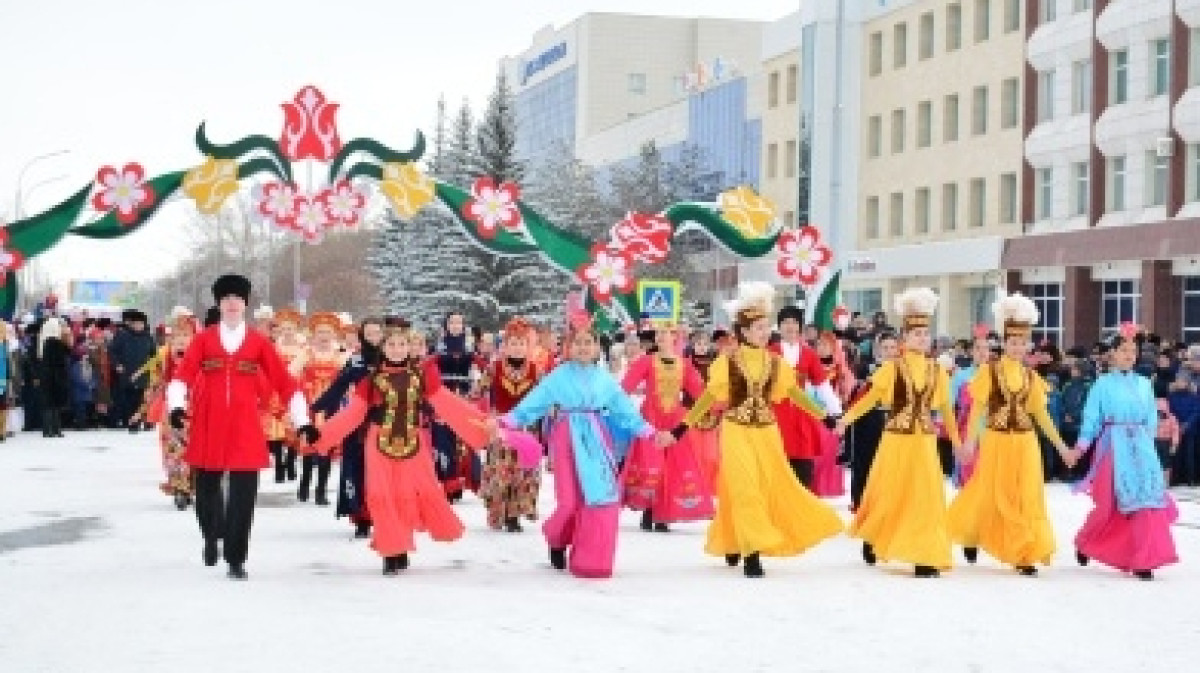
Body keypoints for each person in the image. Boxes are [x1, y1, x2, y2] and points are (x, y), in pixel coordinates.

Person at [670, 282, 844, 578]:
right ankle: (751, 551)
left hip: (766, 433)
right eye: (760, 327)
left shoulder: (776, 363)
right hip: (736, 431)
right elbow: (709, 398)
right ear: (745, 332)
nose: (766, 332)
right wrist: (680, 429)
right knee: (744, 488)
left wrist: (825, 417)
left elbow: (795, 395)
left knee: (763, 489)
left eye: (767, 327)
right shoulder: (728, 362)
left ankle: (736, 537)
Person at [485, 309, 671, 579]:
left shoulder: (605, 379)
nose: (583, 347)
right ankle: (557, 538)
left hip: (597, 437)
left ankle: (590, 558)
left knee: (600, 499)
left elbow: (625, 412)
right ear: (569, 346)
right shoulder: (558, 377)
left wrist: (652, 433)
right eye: (578, 342)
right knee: (569, 502)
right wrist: (505, 422)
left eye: (589, 342)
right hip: (566, 438)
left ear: (597, 347)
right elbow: (532, 405)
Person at [166, 274, 318, 580]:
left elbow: (286, 385)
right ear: (220, 304)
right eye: (227, 299)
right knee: (206, 492)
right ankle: (211, 534)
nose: (233, 304)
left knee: (243, 497)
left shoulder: (259, 343)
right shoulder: (203, 339)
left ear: (245, 304)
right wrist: (177, 407)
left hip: (245, 427)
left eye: (238, 299)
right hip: (208, 424)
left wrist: (303, 422)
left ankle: (236, 558)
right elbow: (181, 378)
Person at [314, 326, 485, 575]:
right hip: (378, 441)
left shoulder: (422, 376)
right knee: (381, 495)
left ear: (409, 347)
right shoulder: (370, 380)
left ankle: (401, 545)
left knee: (405, 495)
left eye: (401, 345)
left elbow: (448, 404)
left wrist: (481, 424)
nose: (397, 350)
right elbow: (352, 415)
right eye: (391, 345)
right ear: (383, 348)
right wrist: (320, 435)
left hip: (412, 443)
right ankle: (389, 549)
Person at [835, 288, 963, 578]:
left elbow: (946, 410)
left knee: (925, 497)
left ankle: (924, 555)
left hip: (924, 442)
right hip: (895, 440)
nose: (923, 338)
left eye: (926, 334)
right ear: (904, 338)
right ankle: (875, 535)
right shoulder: (893, 369)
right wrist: (846, 419)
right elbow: (869, 400)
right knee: (890, 493)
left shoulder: (937, 371)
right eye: (916, 334)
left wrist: (957, 443)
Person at [946, 292, 1071, 576]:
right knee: (989, 492)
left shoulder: (1031, 377)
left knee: (1026, 495)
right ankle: (972, 533)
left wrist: (1062, 446)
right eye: (1012, 342)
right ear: (1004, 343)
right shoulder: (989, 373)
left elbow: (1041, 416)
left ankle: (1023, 552)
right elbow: (977, 410)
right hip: (997, 440)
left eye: (1022, 343)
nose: (1017, 347)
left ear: (1028, 345)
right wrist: (968, 444)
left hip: (1026, 442)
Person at [1068, 324, 1179, 580]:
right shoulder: (1102, 385)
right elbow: (1091, 419)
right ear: (1113, 355)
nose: (1130, 355)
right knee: (1108, 506)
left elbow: (1151, 417)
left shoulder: (1143, 383)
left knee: (1147, 501)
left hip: (1141, 447)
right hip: (1113, 446)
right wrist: (1081, 447)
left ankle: (1144, 558)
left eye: (1133, 350)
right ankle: (1086, 541)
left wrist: (1149, 444)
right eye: (1124, 350)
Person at [621, 323, 713, 532]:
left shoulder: (685, 365)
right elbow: (625, 387)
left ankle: (663, 513)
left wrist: (718, 404)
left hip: (674, 421)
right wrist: (611, 404)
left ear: (675, 337)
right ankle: (650, 509)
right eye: (658, 333)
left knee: (673, 466)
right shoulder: (647, 361)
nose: (661, 336)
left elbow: (701, 393)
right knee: (654, 464)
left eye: (666, 333)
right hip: (651, 420)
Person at [477, 317, 544, 532]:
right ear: (505, 346)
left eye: (522, 343)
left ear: (528, 347)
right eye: (513, 343)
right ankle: (500, 511)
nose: (517, 348)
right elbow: (477, 392)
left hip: (527, 427)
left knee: (523, 470)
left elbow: (548, 396)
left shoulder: (536, 370)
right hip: (501, 428)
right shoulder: (494, 368)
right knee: (501, 470)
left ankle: (515, 514)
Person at [768, 306, 842, 491]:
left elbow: (822, 385)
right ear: (779, 327)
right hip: (776, 414)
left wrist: (836, 411)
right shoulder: (770, 352)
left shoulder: (809, 354)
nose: (790, 326)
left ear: (800, 326)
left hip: (802, 415)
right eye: (785, 322)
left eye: (794, 322)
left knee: (803, 467)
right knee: (776, 464)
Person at [32, 317, 71, 438]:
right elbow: (68, 351)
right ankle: (56, 429)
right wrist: (67, 336)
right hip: (57, 376)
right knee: (55, 403)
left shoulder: (41, 342)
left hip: (45, 375)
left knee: (48, 402)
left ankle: (47, 429)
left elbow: (37, 360)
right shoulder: (57, 343)